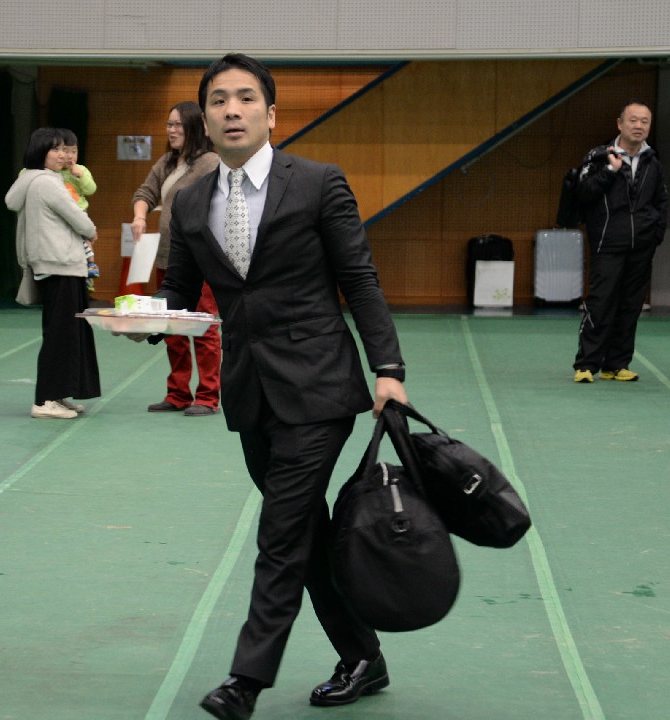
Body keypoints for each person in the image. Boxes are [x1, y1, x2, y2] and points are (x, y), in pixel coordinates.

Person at [142, 53, 408, 719]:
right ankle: (363, 656)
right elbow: (180, 296)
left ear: (270, 114)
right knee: (306, 531)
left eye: (245, 98)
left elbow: (359, 279)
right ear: (206, 119)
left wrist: (389, 369)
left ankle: (245, 682)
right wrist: (142, 319)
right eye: (219, 100)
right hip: (250, 391)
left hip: (319, 386)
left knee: (281, 530)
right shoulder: (191, 201)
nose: (232, 110)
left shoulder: (318, 183)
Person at [131, 101, 222, 416]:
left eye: (177, 125)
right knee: (170, 325)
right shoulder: (167, 162)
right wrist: (140, 216)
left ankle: (208, 396)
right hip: (167, 257)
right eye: (169, 125)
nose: (171, 130)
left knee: (203, 325)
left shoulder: (211, 162)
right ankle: (178, 393)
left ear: (194, 127)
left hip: (200, 261)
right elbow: (145, 193)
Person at [5, 128, 101, 419]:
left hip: (52, 265)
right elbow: (79, 220)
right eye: (55, 149)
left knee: (63, 333)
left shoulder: (31, 180)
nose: (62, 155)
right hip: (60, 265)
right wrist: (91, 230)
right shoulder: (47, 182)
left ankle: (56, 394)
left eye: (64, 149)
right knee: (61, 335)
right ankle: (45, 400)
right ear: (40, 152)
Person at [572, 100, 668, 384]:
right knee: (600, 303)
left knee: (631, 306)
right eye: (633, 120)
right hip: (608, 243)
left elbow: (661, 201)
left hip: (642, 246)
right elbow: (583, 192)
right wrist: (610, 171)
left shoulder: (653, 160)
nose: (639, 126)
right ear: (620, 124)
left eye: (645, 121)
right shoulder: (599, 156)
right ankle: (586, 364)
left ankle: (616, 364)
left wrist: (655, 234)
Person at [57, 128, 100, 293]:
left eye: (73, 152)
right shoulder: (53, 172)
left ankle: (90, 266)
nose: (70, 156)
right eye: (65, 151)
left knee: (86, 240)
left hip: (80, 212)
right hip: (61, 215)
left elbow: (91, 189)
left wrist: (80, 175)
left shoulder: (81, 170)